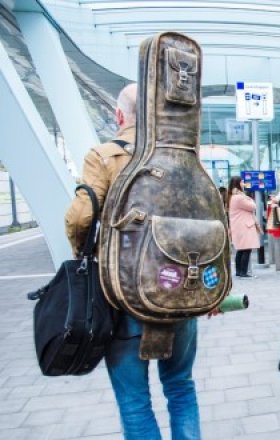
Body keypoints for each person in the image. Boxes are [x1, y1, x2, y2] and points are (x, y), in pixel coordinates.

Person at [64, 83, 203, 440]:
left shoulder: (105, 156)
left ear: (120, 115)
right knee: (181, 386)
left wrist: (84, 255)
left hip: (125, 294)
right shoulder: (183, 158)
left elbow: (81, 217)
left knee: (134, 399)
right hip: (179, 291)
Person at [227, 175, 262, 278]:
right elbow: (253, 206)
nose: (243, 184)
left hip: (240, 226)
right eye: (242, 182)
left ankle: (239, 272)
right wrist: (250, 199)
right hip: (244, 227)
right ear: (237, 184)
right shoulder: (239, 197)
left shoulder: (233, 196)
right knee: (246, 249)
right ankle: (243, 272)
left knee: (241, 250)